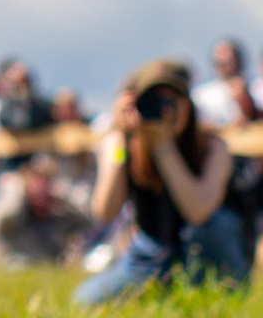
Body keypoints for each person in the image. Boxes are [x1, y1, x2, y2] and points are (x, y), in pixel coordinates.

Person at [74, 59, 245, 306]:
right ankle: (163, 290)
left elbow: (199, 213)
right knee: (85, 300)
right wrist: (121, 139)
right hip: (151, 253)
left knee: (212, 227)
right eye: (153, 101)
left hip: (210, 253)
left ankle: (208, 292)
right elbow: (104, 212)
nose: (163, 110)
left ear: (189, 105)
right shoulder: (122, 145)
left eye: (172, 100)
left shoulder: (212, 148)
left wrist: (163, 147)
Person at [0, 154, 94, 265]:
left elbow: (88, 223)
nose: (41, 189)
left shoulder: (56, 214)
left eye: (46, 182)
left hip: (44, 267)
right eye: (37, 182)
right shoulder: (15, 210)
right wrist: (17, 191)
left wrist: (65, 196)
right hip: (10, 263)